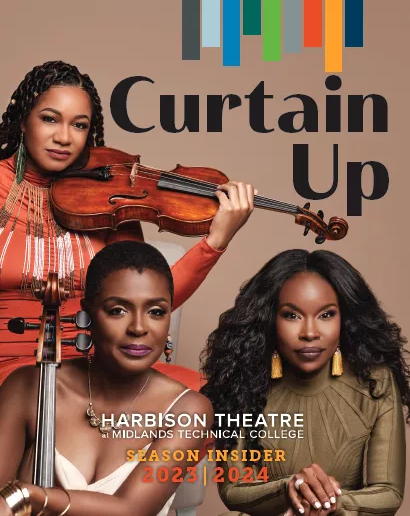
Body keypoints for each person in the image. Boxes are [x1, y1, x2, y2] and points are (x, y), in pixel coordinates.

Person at [0, 60, 255, 384]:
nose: (64, 137)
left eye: (79, 125)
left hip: (98, 368)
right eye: (50, 119)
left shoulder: (106, 198)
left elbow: (150, 297)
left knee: (206, 398)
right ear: (24, 121)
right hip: (11, 370)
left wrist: (214, 242)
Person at [0, 240, 214, 516]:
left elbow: (132, 510)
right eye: (118, 310)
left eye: (156, 312)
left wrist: (28, 495)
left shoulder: (189, 410)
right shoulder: (28, 386)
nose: (138, 327)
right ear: (88, 315)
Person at [201, 249, 408, 516]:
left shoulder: (375, 381)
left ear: (344, 318)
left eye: (326, 315)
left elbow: (389, 493)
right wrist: (290, 488)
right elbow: (232, 489)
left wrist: (332, 503)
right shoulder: (241, 380)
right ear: (269, 318)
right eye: (291, 315)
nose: (310, 333)